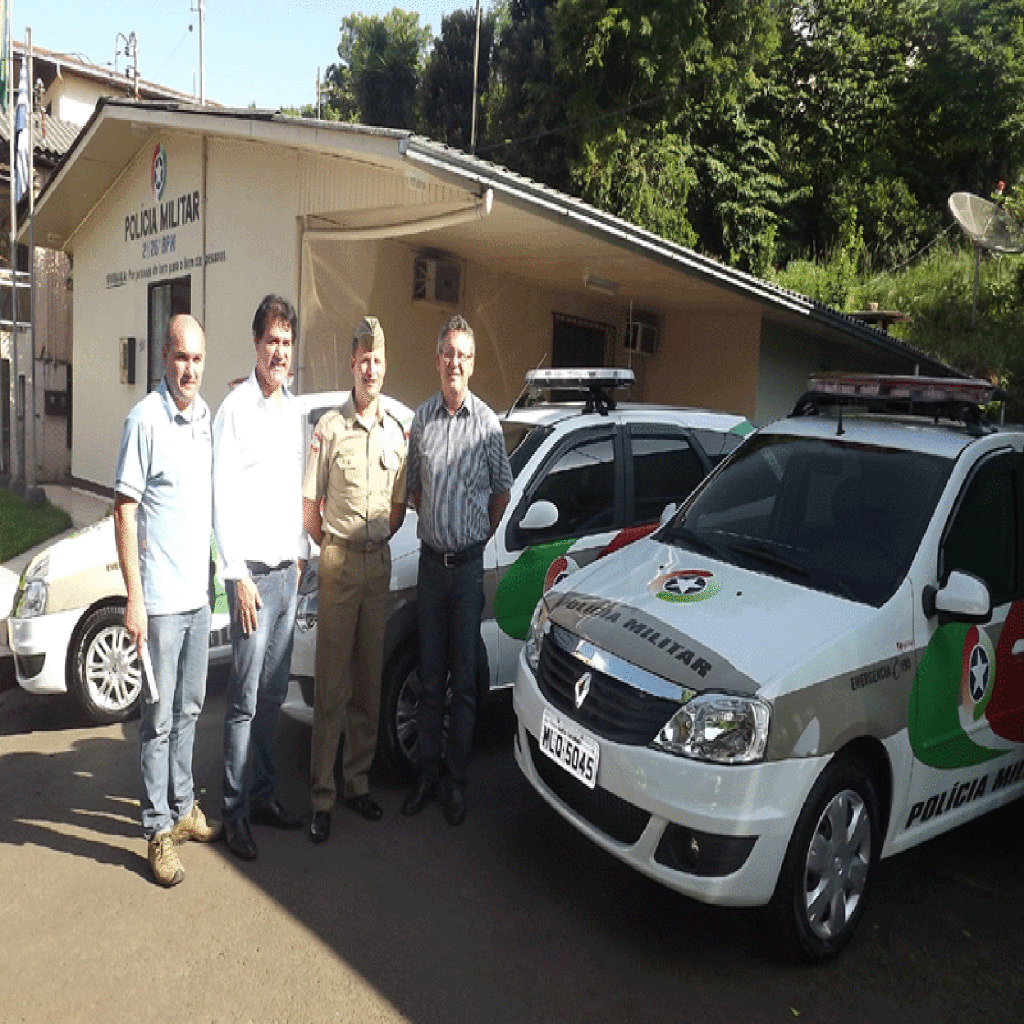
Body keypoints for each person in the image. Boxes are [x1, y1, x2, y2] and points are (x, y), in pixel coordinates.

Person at [113, 314, 220, 888]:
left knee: (191, 709)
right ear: (164, 356)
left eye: (198, 359)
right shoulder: (145, 420)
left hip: (197, 600)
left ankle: (182, 810)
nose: (190, 369)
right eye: (182, 357)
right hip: (157, 604)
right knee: (156, 721)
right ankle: (156, 829)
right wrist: (134, 598)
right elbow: (124, 508)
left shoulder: (202, 418)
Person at [401, 314, 512, 826]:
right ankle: (425, 773)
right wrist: (438, 522)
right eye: (448, 354)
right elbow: (413, 490)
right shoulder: (421, 420)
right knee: (429, 676)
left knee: (464, 682)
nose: (455, 363)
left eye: (464, 355)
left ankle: (455, 779)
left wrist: (475, 538)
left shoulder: (488, 424)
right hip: (430, 569)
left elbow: (501, 493)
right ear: (438, 359)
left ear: (472, 363)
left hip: (466, 572)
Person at [303, 316, 408, 844]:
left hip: (377, 567)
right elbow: (309, 508)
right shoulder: (329, 428)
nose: (371, 368)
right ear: (352, 363)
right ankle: (321, 796)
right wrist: (335, 548)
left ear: (385, 366)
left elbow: (398, 507)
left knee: (369, 682)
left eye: (378, 360)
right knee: (332, 685)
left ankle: (357, 783)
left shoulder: (396, 432)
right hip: (340, 564)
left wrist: (373, 542)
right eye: (363, 358)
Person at [213, 294, 305, 861]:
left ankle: (266, 797)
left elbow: (292, 490)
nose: (278, 352)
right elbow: (221, 497)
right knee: (243, 700)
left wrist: (297, 557)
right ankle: (233, 810)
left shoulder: (293, 412)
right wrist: (238, 574)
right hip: (249, 581)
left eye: (286, 344)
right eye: (271, 341)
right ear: (255, 345)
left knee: (272, 694)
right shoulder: (235, 409)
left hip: (285, 577)